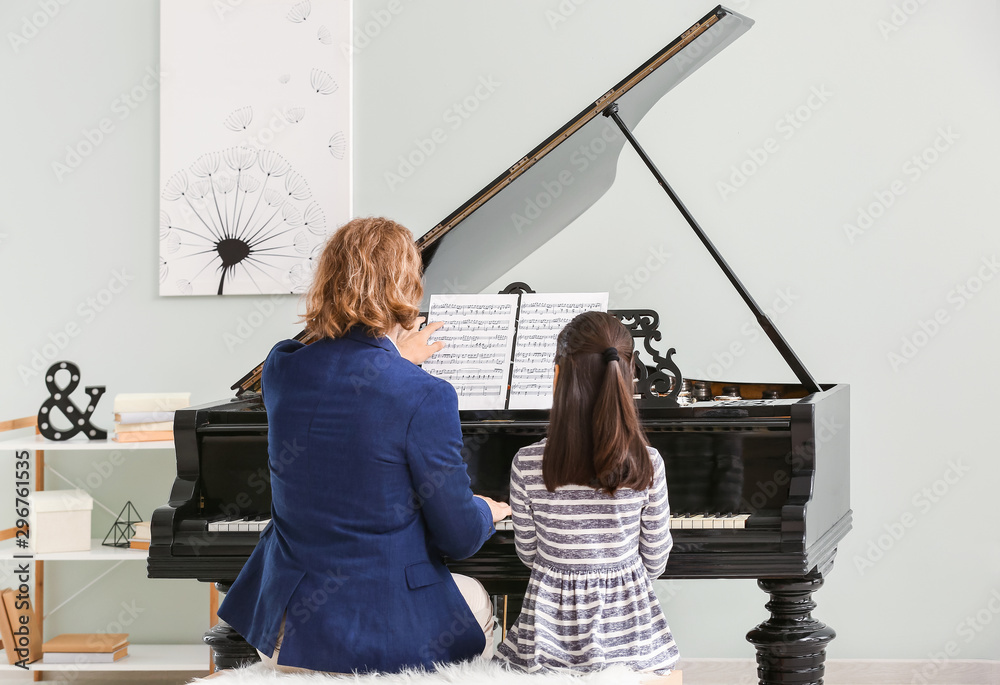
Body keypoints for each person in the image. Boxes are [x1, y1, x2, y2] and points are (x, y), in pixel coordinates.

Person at [217, 217, 511, 674]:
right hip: (382, 635)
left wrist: (392, 356)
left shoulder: (281, 369)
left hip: (283, 631)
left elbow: (340, 375)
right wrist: (486, 512)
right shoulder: (426, 395)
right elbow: (459, 537)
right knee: (480, 602)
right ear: (408, 287)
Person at [495, 311, 678, 676]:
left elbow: (529, 555)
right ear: (628, 376)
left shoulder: (527, 462)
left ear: (558, 376)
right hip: (630, 644)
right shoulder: (647, 462)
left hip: (546, 643)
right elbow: (655, 558)